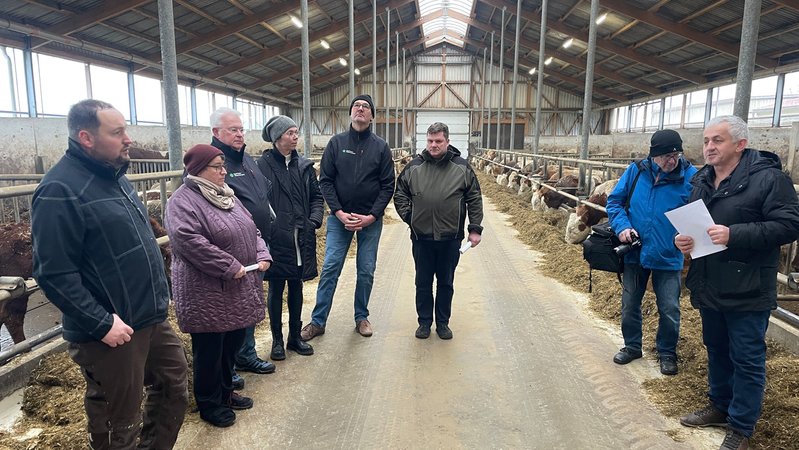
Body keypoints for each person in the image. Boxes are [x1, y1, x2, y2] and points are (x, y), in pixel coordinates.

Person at [31, 99, 188, 448]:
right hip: (110, 329)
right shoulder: (60, 190)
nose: (128, 139)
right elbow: (53, 273)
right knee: (120, 421)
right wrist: (101, 322)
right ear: (86, 137)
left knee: (174, 384)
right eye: (117, 132)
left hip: (148, 316)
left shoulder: (116, 177)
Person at [675, 116, 799, 450]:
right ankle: (719, 404)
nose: (709, 147)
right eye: (706, 141)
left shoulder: (769, 179)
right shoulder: (702, 178)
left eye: (718, 140)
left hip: (748, 286)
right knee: (716, 348)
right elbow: (696, 223)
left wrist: (734, 235)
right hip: (710, 281)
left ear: (740, 145)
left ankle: (742, 427)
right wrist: (684, 241)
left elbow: (789, 225)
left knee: (747, 357)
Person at [166, 144, 272, 428]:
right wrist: (228, 265)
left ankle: (226, 392)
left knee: (232, 345)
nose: (224, 171)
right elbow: (188, 240)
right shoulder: (183, 201)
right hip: (206, 290)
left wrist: (262, 254)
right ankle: (210, 403)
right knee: (210, 348)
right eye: (217, 167)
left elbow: (253, 229)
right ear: (199, 169)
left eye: (223, 166)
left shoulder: (228, 196)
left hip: (237, 285)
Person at [300, 94, 395, 340]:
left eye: (366, 107)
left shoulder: (381, 147)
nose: (360, 109)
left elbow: (387, 185)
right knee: (331, 267)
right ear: (350, 113)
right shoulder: (336, 143)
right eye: (356, 106)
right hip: (339, 219)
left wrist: (372, 216)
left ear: (372, 116)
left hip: (369, 221)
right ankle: (318, 321)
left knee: (366, 269)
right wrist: (339, 212)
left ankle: (361, 317)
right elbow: (326, 181)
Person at [606, 129, 697, 375]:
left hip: (668, 255)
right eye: (667, 155)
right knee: (629, 304)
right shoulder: (636, 171)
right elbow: (614, 202)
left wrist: (689, 235)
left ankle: (667, 352)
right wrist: (623, 227)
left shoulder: (691, 177)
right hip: (635, 253)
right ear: (653, 155)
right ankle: (632, 346)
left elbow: (701, 213)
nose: (672, 160)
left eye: (676, 154)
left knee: (669, 307)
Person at [393, 122, 483, 340]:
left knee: (445, 282)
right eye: (430, 141)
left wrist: (475, 228)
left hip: (450, 237)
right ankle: (424, 322)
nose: (433, 145)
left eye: (438, 141)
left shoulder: (461, 167)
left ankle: (442, 323)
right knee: (422, 282)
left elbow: (474, 198)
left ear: (447, 142)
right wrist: (411, 218)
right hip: (421, 237)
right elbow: (400, 194)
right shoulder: (414, 166)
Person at [209, 107, 276, 383]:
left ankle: (245, 354)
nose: (239, 134)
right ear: (216, 132)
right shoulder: (213, 162)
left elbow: (262, 192)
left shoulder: (247, 158)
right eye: (232, 130)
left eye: (240, 129)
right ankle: (228, 367)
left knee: (248, 303)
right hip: (229, 249)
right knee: (228, 309)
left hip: (254, 245)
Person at [257, 115, 323, 359]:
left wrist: (314, 221)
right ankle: (277, 340)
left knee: (296, 286)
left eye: (296, 132)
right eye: (290, 133)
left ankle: (295, 337)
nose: (296, 137)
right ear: (277, 137)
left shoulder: (304, 166)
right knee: (276, 287)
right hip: (276, 238)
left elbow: (316, 197)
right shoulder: (261, 167)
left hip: (300, 237)